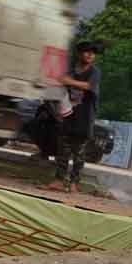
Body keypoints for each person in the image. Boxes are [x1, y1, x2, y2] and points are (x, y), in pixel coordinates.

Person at [47, 41, 101, 193]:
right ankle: (58, 180)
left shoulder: (94, 72)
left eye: (93, 52)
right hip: (68, 114)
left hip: (85, 117)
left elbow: (89, 86)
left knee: (79, 153)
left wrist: (67, 81)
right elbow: (58, 85)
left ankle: (74, 184)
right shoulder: (70, 71)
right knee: (63, 150)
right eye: (86, 51)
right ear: (79, 54)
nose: (90, 54)